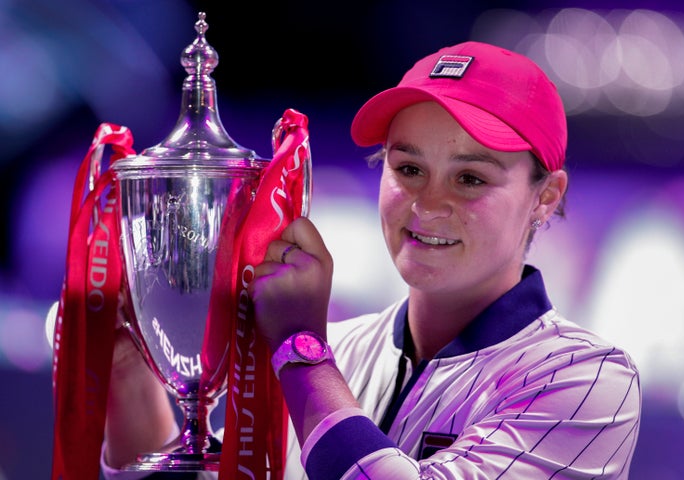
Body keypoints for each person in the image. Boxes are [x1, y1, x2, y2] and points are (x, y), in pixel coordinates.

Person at [103, 41, 641, 479]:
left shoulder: (586, 379)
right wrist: (129, 363)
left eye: (470, 178)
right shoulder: (337, 351)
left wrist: (299, 346)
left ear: (546, 197)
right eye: (408, 169)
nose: (428, 204)